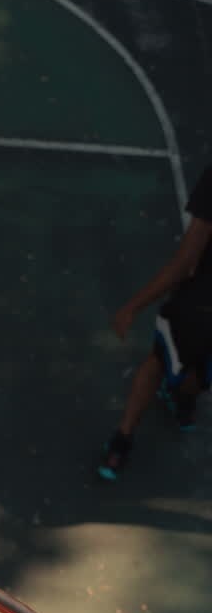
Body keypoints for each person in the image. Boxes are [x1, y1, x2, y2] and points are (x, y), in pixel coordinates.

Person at [99, 164, 212, 480]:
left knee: (159, 360)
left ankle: (121, 442)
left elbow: (185, 263)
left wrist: (132, 307)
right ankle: (184, 399)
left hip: (199, 305)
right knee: (199, 372)